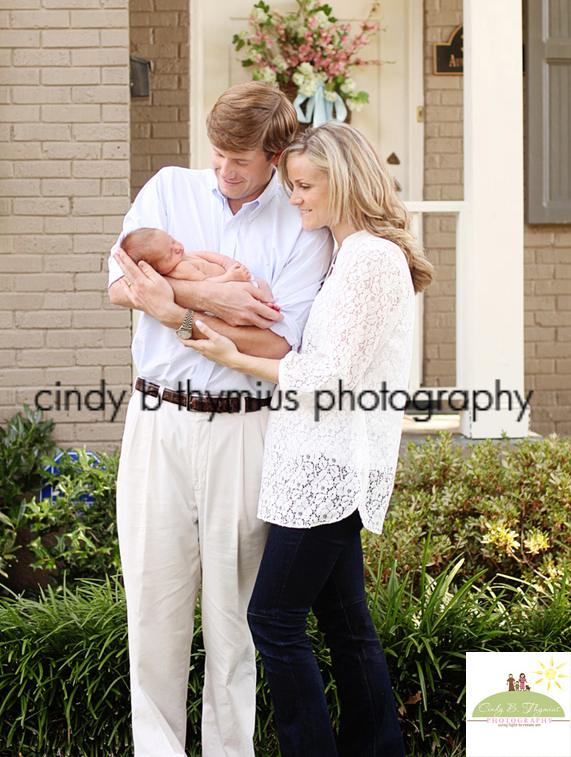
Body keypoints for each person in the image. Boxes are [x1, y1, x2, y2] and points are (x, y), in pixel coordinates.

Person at [178, 121, 434, 756]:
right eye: (291, 185)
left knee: (274, 619)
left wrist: (231, 356)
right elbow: (319, 347)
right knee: (347, 627)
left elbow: (326, 376)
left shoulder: (369, 258)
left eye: (303, 185)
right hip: (320, 464)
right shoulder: (348, 255)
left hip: (326, 470)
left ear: (341, 183)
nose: (293, 198)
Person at [108, 81, 333, 757]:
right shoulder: (166, 191)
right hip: (157, 423)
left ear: (274, 155)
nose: (224, 172)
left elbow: (279, 344)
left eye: (240, 160)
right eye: (217, 155)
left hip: (246, 428)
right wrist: (207, 292)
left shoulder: (299, 223)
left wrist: (170, 302)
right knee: (153, 610)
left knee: (233, 621)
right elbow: (119, 285)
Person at [120, 227, 280, 310]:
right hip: (226, 288)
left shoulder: (184, 255)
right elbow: (206, 284)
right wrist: (230, 277)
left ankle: (267, 301)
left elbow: (209, 255)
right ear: (157, 271)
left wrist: (229, 264)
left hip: (232, 277)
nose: (177, 248)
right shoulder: (181, 270)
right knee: (251, 289)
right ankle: (265, 304)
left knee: (261, 283)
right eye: (169, 254)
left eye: (172, 241)